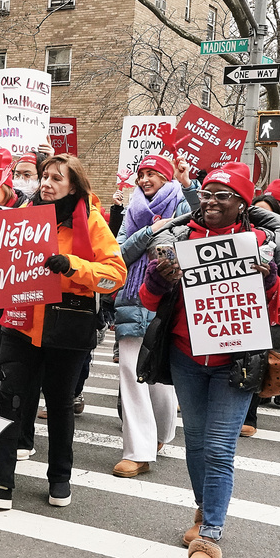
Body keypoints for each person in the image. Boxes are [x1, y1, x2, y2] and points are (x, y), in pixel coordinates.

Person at [139, 163, 280, 558]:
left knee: (218, 446)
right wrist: (159, 279)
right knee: (195, 442)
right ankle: (204, 505)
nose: (210, 202)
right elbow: (147, 300)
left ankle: (209, 537)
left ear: (242, 204)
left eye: (222, 196)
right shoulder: (178, 239)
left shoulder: (262, 243)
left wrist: (267, 280)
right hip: (186, 357)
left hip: (237, 362)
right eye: (206, 195)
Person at [0, 153, 127, 509]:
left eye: (57, 178)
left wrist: (73, 266)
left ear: (74, 185)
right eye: (45, 176)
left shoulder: (93, 222)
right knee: (6, 400)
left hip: (66, 327)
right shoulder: (26, 218)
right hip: (21, 324)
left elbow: (115, 275)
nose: (47, 183)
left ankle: (60, 478)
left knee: (59, 405)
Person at [112, 154, 194, 478]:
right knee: (132, 373)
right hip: (132, 299)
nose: (144, 179)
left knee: (158, 374)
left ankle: (162, 434)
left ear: (166, 176)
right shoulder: (132, 211)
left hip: (169, 300)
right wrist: (149, 232)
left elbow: (198, 228)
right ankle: (139, 451)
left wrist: (189, 183)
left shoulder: (181, 203)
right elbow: (119, 252)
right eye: (141, 174)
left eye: (152, 174)